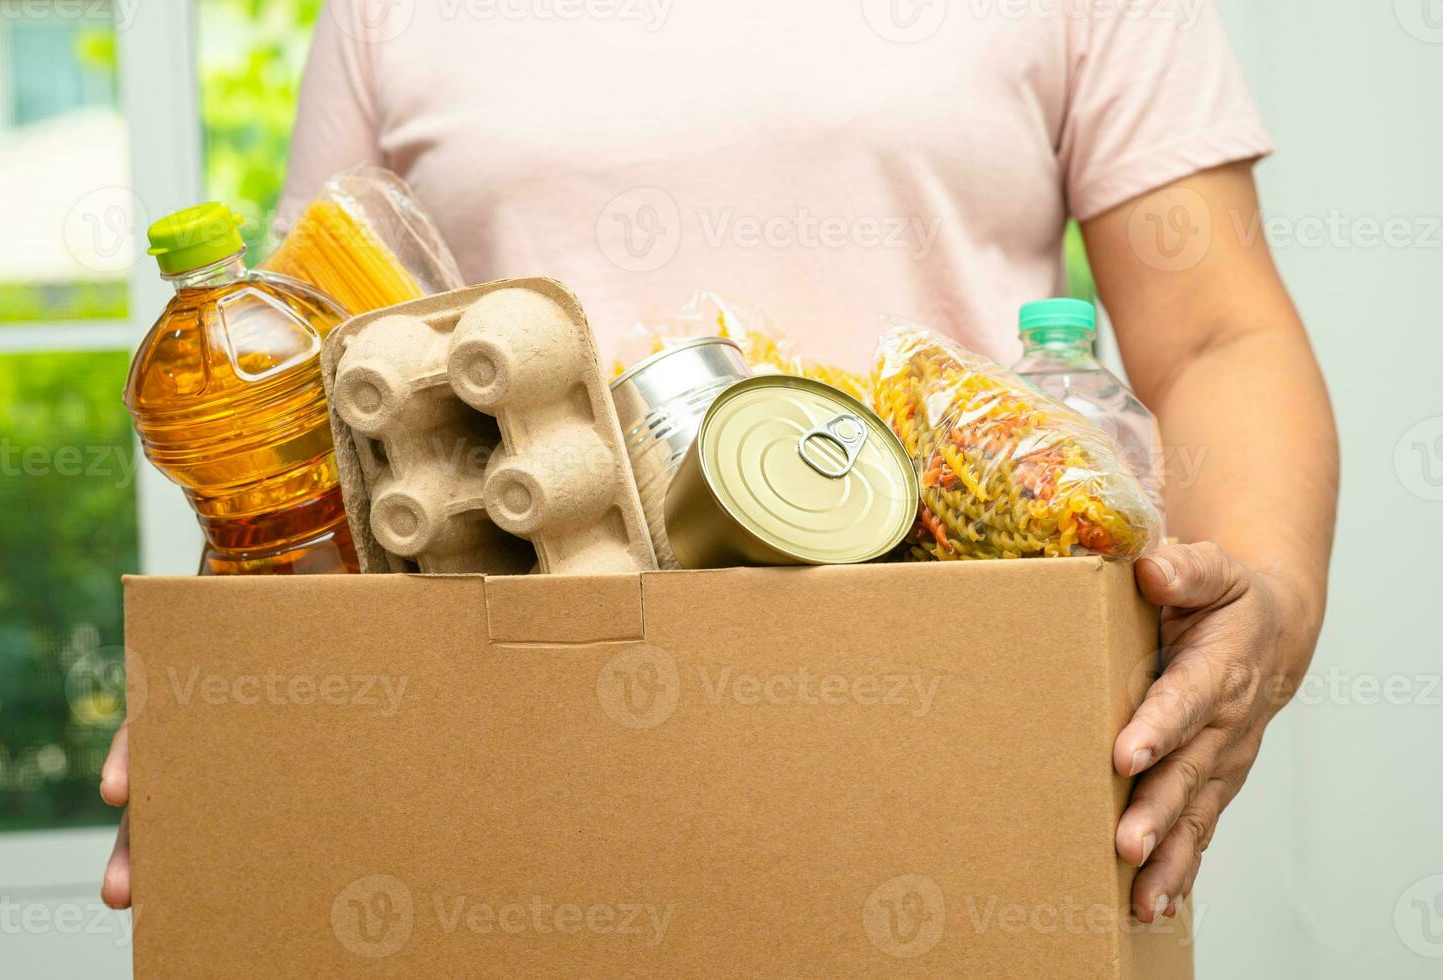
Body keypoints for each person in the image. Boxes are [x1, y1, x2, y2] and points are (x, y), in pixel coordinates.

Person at [101, 0, 1338, 925]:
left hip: (948, 727)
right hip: (509, 756)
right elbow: (320, 405)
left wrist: (1264, 609)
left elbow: (1217, 333)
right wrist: (242, 692)